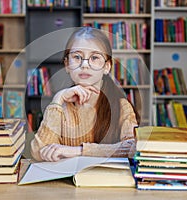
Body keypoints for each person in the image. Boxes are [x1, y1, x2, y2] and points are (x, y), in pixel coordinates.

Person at [30, 27, 139, 162]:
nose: (85, 65)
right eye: (77, 57)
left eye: (94, 57)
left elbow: (133, 147)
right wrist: (57, 100)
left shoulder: (121, 105)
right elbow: (39, 153)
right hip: (65, 182)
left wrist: (79, 151)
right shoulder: (59, 107)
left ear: (107, 67)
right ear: (67, 65)